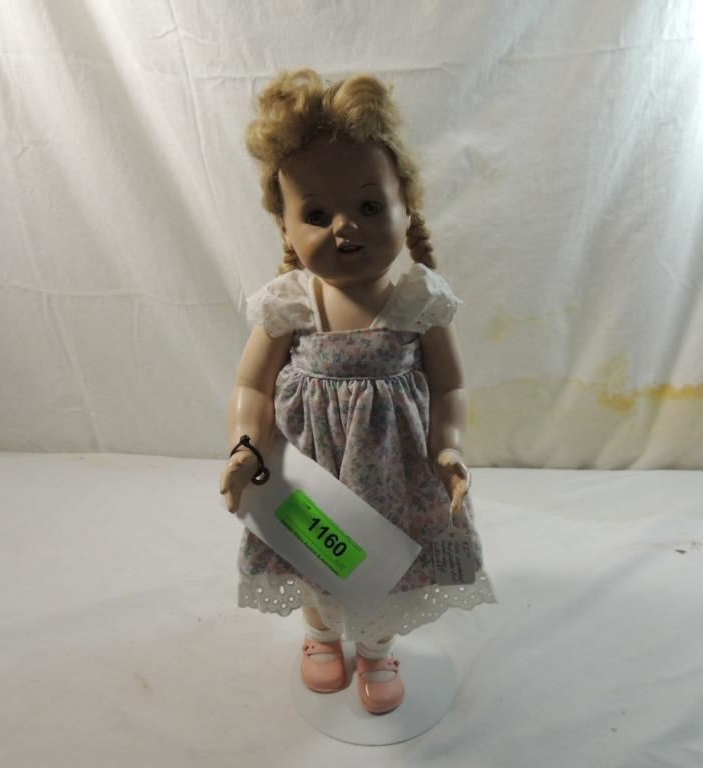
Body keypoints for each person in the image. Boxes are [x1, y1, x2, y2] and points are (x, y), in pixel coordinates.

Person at [220, 68, 496, 715]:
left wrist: (448, 448)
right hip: (307, 469)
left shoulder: (419, 302)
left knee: (387, 565)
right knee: (311, 556)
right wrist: (245, 446)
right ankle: (321, 636)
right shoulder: (289, 303)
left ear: (407, 205)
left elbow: (450, 384)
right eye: (316, 214)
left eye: (369, 207)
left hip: (395, 474)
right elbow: (250, 383)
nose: (344, 227)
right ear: (285, 226)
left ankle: (375, 649)